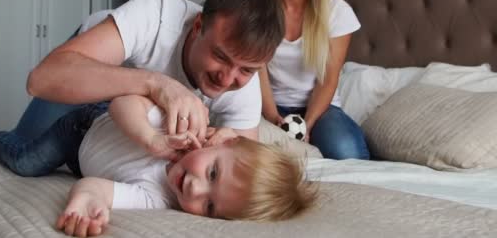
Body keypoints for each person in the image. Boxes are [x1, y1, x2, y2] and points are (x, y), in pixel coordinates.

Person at [0, 0, 285, 176]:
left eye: (246, 70)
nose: (228, 78)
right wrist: (158, 85)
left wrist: (224, 140)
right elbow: (41, 79)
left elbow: (242, 171)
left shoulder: (245, 79)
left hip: (130, 112)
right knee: (29, 152)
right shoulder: (156, 16)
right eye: (221, 57)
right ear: (199, 26)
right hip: (89, 67)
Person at [62, 95, 317, 236]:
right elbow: (123, 103)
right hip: (87, 120)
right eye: (213, 173)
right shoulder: (180, 126)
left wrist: (89, 199)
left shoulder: (156, 199)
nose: (195, 189)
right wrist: (151, 139)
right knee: (24, 160)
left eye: (209, 206)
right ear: (224, 140)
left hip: (75, 155)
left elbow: (97, 188)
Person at [260, 0, 370, 160]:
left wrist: (306, 125)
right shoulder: (259, 10)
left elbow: (328, 79)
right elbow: (258, 72)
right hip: (269, 106)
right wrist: (271, 117)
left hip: (321, 109)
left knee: (346, 152)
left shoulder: (337, 12)